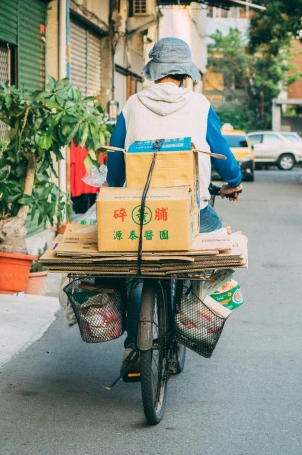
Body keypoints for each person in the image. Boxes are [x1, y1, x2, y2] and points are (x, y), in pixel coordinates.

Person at [105, 37, 243, 376]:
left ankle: (134, 346)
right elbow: (223, 155)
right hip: (192, 208)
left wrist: (117, 186)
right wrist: (234, 182)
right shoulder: (199, 105)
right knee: (214, 259)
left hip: (141, 210)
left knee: (135, 269)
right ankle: (189, 319)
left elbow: (115, 165)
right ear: (185, 73)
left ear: (154, 71)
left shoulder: (132, 105)